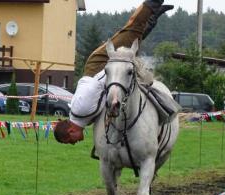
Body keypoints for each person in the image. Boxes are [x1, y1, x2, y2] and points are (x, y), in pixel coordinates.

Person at [54, 0, 174, 145]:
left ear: (70, 132)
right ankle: (152, 17)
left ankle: (153, 3)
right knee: (133, 42)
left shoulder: (82, 110)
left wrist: (116, 68)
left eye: (71, 141)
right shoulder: (82, 117)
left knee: (131, 30)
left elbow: (98, 82)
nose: (75, 143)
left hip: (99, 64)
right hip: (97, 70)